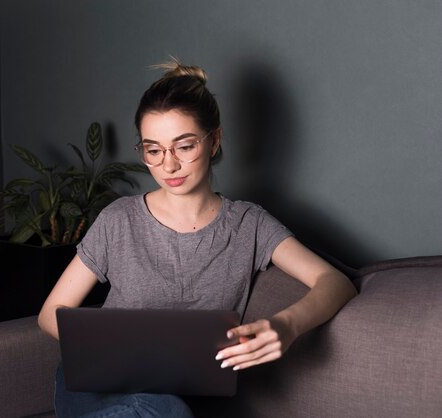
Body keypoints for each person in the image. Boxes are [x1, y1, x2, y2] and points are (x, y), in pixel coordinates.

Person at [38, 60, 357, 418]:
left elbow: (335, 282)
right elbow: (51, 314)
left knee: (168, 408)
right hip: (99, 386)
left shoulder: (248, 224)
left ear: (214, 140)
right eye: (153, 150)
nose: (168, 165)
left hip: (180, 399)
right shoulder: (118, 219)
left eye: (184, 146)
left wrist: (286, 326)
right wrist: (114, 351)